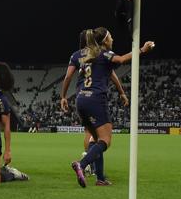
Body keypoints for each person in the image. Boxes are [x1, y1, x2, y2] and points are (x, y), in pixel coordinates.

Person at [60, 27, 155, 187]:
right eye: (110, 36)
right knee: (106, 140)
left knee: (95, 138)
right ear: (104, 40)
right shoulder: (103, 54)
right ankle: (81, 165)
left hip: (80, 99)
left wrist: (63, 97)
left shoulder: (78, 55)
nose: (112, 39)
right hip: (96, 99)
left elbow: (69, 76)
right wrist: (142, 50)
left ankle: (100, 177)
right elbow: (122, 60)